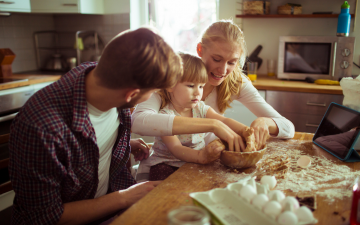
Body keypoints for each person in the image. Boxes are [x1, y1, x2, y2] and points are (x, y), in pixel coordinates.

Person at [8, 28, 183, 225]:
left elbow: (89, 141)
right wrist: (124, 197)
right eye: (152, 92)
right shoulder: (41, 128)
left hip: (110, 209)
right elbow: (45, 217)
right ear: (131, 94)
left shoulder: (106, 79)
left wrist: (119, 143)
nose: (151, 97)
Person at [132, 20, 295, 151]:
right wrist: (213, 124)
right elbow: (138, 121)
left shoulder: (235, 81)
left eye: (232, 62)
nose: (223, 70)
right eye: (217, 59)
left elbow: (289, 127)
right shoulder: (173, 73)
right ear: (200, 49)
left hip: (206, 161)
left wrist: (266, 122)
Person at [136, 53, 253, 182]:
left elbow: (223, 120)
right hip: (167, 164)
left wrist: (245, 131)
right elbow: (176, 149)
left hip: (195, 163)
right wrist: (201, 156)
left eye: (201, 86)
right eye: (191, 86)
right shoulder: (165, 116)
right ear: (170, 85)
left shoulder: (201, 109)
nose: (198, 92)